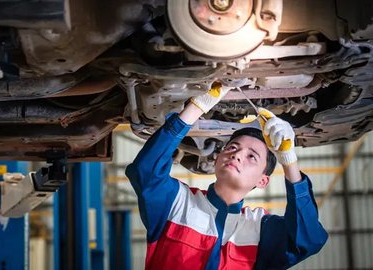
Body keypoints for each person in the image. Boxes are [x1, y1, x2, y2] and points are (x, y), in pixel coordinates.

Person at [125, 83, 328, 269]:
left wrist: (288, 159)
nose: (237, 154)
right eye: (232, 147)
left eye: (251, 156)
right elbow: (145, 171)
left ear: (262, 180)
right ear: (217, 159)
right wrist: (197, 106)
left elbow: (308, 241)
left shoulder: (259, 228)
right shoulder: (178, 203)